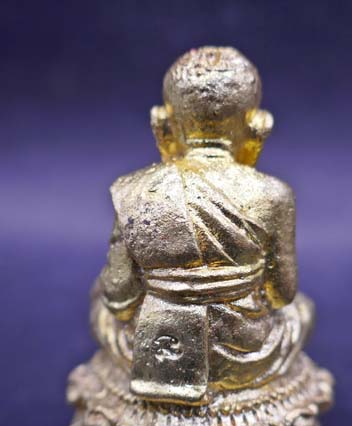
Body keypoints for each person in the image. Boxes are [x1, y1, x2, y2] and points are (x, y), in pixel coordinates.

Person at [91, 46, 313, 404]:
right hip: (246, 352)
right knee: (301, 310)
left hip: (150, 350)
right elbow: (282, 295)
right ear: (259, 124)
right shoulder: (274, 195)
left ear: (162, 121)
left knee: (99, 304)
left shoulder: (133, 190)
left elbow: (119, 298)